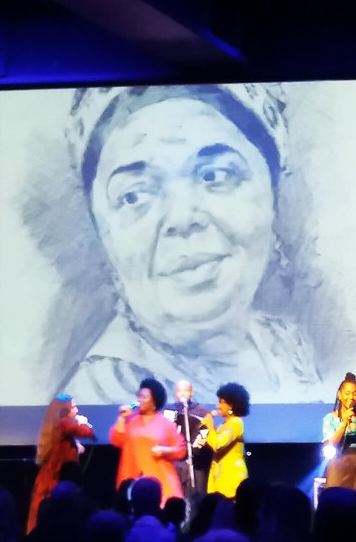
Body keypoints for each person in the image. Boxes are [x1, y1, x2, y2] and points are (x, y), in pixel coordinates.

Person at [62, 84, 322, 405]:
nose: (182, 217)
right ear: (104, 236)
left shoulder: (285, 344)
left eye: (215, 175)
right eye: (134, 195)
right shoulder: (104, 392)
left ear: (272, 194)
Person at [108, 378, 186, 504]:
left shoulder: (165, 423)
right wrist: (121, 418)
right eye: (139, 396)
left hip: (159, 479)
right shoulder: (130, 420)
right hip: (131, 476)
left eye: (144, 397)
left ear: (154, 401)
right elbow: (116, 440)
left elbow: (181, 450)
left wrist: (165, 450)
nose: (139, 400)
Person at [27, 394, 95, 533]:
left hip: (55, 474)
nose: (77, 410)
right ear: (65, 409)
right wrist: (83, 423)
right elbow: (85, 432)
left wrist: (75, 446)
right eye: (73, 407)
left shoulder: (57, 423)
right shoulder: (63, 421)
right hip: (57, 476)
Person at [321, 372, 356, 496]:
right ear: (339, 395)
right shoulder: (330, 419)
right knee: (336, 501)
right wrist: (345, 422)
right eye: (347, 393)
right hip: (338, 463)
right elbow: (331, 444)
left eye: (355, 393)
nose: (351, 397)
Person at [200, 382, 250, 499]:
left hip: (230, 478)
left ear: (231, 405)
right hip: (220, 478)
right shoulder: (225, 424)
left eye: (221, 402)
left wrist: (210, 424)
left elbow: (218, 445)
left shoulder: (236, 422)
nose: (217, 406)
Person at [169, 379, 212, 502]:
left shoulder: (202, 411)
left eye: (185, 391)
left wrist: (202, 441)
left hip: (196, 462)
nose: (182, 394)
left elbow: (209, 432)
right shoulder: (169, 411)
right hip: (176, 462)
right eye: (179, 391)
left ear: (191, 393)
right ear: (175, 393)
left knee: (195, 497)